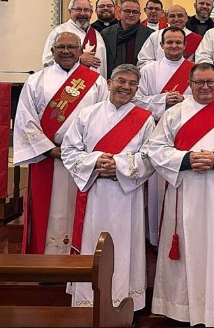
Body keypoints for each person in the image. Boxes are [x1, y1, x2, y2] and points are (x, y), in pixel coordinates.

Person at [145, 63, 214, 327]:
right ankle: (181, 310)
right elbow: (155, 148)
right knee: (185, 250)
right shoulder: (176, 113)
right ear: (190, 84)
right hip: (185, 192)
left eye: (210, 82)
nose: (205, 87)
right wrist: (187, 159)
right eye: (199, 83)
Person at [61, 64, 155, 310]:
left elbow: (150, 157)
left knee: (124, 247)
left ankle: (124, 303)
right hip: (93, 193)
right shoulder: (87, 114)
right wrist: (95, 161)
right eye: (121, 81)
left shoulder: (144, 119)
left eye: (132, 84)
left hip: (126, 195)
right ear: (109, 83)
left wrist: (119, 165)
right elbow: (70, 150)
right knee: (92, 245)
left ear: (137, 89)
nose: (125, 87)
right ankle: (87, 301)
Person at [14, 32, 108, 254]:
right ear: (53, 51)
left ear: (80, 51)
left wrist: (83, 154)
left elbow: (105, 119)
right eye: (61, 47)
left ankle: (80, 263)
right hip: (48, 158)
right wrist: (51, 150)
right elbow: (25, 119)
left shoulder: (96, 82)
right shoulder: (37, 80)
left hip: (83, 161)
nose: (66, 51)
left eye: (72, 47)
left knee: (82, 209)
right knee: (49, 210)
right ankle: (47, 264)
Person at [135, 27, 194, 246]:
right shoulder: (150, 70)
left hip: (184, 136)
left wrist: (183, 102)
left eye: (178, 43)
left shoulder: (194, 70)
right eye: (169, 42)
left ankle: (179, 236)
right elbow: (137, 100)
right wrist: (162, 101)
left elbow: (202, 102)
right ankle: (155, 237)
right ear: (161, 45)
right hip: (156, 134)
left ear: (185, 46)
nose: (174, 46)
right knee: (156, 189)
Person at [43, 0, 108, 78]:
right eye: (78, 9)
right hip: (67, 86)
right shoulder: (59, 32)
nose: (83, 13)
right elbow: (47, 61)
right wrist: (79, 60)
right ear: (70, 11)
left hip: (95, 85)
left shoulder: (97, 35)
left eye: (86, 10)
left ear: (91, 13)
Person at [137, 5, 203, 68]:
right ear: (167, 18)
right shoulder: (155, 36)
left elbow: (200, 63)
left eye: (180, 16)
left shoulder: (197, 39)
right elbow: (143, 61)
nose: (176, 19)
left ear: (186, 18)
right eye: (172, 16)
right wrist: (162, 68)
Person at [101, 0, 154, 74]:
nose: (131, 15)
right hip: (113, 80)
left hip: (139, 80)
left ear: (139, 15)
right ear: (119, 12)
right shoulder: (106, 33)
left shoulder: (150, 34)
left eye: (135, 12)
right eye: (127, 11)